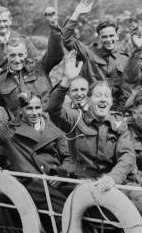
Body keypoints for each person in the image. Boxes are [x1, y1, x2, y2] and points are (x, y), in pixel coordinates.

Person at [0, 75, 75, 213]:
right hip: (32, 183)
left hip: (56, 178)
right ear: (21, 110)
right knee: (63, 209)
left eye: (37, 108)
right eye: (29, 108)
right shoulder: (9, 131)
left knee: (79, 196)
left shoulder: (54, 127)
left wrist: (61, 174)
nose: (34, 113)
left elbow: (69, 157)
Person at [47, 51, 136, 193]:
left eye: (106, 96)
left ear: (111, 101)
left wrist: (113, 177)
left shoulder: (118, 122)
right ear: (90, 100)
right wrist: (67, 80)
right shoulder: (75, 119)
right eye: (98, 95)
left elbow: (127, 155)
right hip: (85, 185)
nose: (102, 99)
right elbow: (52, 109)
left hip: (113, 183)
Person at [61, 0, 131, 110]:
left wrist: (121, 114)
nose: (108, 39)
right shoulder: (88, 53)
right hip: (90, 109)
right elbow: (66, 38)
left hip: (114, 110)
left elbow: (126, 92)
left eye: (111, 36)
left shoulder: (124, 59)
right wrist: (77, 12)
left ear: (117, 36)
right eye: (104, 37)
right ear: (99, 38)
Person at [0, 21, 63, 116]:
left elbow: (55, 55)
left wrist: (54, 28)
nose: (17, 59)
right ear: (5, 55)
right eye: (12, 55)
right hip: (20, 129)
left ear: (26, 54)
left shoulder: (39, 67)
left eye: (20, 55)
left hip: (48, 126)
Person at [0, 6, 41, 77]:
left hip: (22, 84)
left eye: (5, 21)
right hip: (0, 85)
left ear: (10, 21)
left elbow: (37, 60)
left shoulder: (23, 41)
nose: (2, 25)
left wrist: (27, 70)